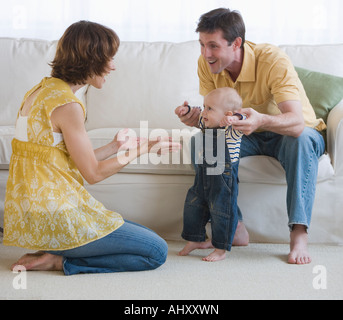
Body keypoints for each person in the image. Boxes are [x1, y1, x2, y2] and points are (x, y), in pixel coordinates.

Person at [4, 21, 181, 275]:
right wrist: (144, 149)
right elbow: (93, 173)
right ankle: (60, 260)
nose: (113, 66)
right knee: (156, 251)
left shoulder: (41, 91)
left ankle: (55, 250)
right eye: (108, 58)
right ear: (90, 59)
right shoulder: (67, 105)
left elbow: (63, 159)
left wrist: (115, 146)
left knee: (144, 235)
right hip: (58, 218)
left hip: (38, 216)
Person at [176, 8, 326, 265]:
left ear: (236, 43)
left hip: (291, 132)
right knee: (202, 141)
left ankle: (299, 233)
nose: (205, 54)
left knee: (300, 140)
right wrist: (197, 118)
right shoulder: (207, 65)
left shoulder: (272, 60)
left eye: (213, 46)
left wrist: (261, 120)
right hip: (244, 132)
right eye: (202, 45)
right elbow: (214, 116)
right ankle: (234, 226)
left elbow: (297, 122)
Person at [175, 87, 246, 262]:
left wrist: (234, 118)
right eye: (205, 106)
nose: (204, 112)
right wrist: (188, 110)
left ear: (227, 114)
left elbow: (243, 118)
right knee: (193, 205)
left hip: (223, 180)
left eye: (209, 109)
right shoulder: (205, 123)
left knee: (222, 210)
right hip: (203, 176)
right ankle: (195, 239)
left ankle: (220, 248)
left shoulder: (233, 131)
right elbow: (196, 115)